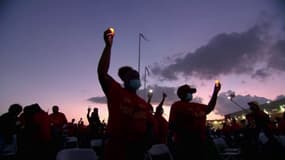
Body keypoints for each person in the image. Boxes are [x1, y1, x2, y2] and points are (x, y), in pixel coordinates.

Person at [97, 27, 157, 160]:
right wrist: (108, 47)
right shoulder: (116, 91)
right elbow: (102, 73)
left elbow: (151, 124)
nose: (136, 78)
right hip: (116, 152)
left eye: (137, 77)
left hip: (137, 152)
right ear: (125, 80)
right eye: (132, 76)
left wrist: (146, 142)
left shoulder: (143, 103)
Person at [168, 82, 221, 160]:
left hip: (201, 142)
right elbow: (172, 125)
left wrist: (215, 93)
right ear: (182, 94)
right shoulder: (177, 106)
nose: (191, 95)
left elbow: (210, 108)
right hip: (186, 144)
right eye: (189, 92)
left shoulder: (196, 105)